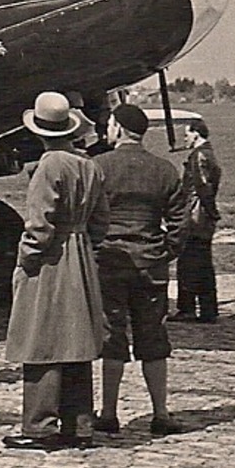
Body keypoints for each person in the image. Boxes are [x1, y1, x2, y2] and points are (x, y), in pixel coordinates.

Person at [2, 92, 109, 451]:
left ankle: (39, 425)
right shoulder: (89, 166)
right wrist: (85, 249)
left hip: (51, 258)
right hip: (79, 255)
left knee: (41, 340)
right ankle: (79, 425)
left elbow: (40, 225)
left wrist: (25, 260)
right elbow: (101, 222)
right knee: (76, 341)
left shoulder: (49, 165)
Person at [92, 103, 188, 435]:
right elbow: (180, 221)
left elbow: (88, 215)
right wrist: (165, 251)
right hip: (151, 264)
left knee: (111, 338)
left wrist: (96, 250)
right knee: (153, 338)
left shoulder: (99, 166)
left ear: (118, 127)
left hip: (109, 261)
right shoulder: (165, 170)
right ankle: (161, 414)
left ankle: (108, 413)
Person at [171, 117, 221, 321]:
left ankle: (188, 308)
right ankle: (207, 309)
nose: (185, 139)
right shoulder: (208, 154)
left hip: (194, 216)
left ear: (196, 134)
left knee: (189, 263)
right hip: (201, 216)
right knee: (202, 264)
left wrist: (208, 211)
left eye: (187, 134)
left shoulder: (199, 156)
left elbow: (202, 188)